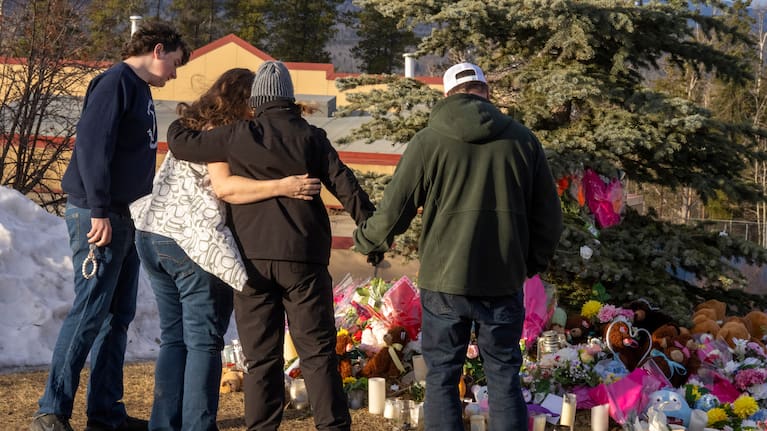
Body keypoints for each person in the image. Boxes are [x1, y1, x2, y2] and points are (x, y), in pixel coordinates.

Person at [353, 62, 564, 431]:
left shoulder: (429, 141)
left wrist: (368, 240)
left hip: (445, 281)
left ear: (448, 95)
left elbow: (395, 210)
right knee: (503, 378)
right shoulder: (522, 140)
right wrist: (528, 263)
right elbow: (549, 218)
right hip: (502, 279)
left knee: (441, 378)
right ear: (486, 92)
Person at [166, 60, 376, 431]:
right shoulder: (312, 137)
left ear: (257, 99)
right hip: (304, 261)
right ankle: (332, 426)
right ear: (290, 98)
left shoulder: (235, 135)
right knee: (317, 354)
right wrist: (373, 235)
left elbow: (182, 144)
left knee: (261, 358)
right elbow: (348, 188)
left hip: (252, 261)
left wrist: (190, 115)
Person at [130, 68, 322, 431]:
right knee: (204, 341)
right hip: (192, 243)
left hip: (153, 233)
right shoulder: (221, 135)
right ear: (245, 102)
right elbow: (225, 188)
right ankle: (197, 426)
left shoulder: (193, 128)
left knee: (175, 339)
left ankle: (164, 424)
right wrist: (284, 185)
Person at [31, 21, 190, 431]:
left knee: (118, 315)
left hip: (126, 217)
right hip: (98, 215)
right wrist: (99, 208)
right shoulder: (115, 83)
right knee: (89, 311)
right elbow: (91, 146)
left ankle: (104, 414)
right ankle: (51, 412)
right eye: (174, 63)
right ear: (158, 50)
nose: (174, 73)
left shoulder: (140, 90)